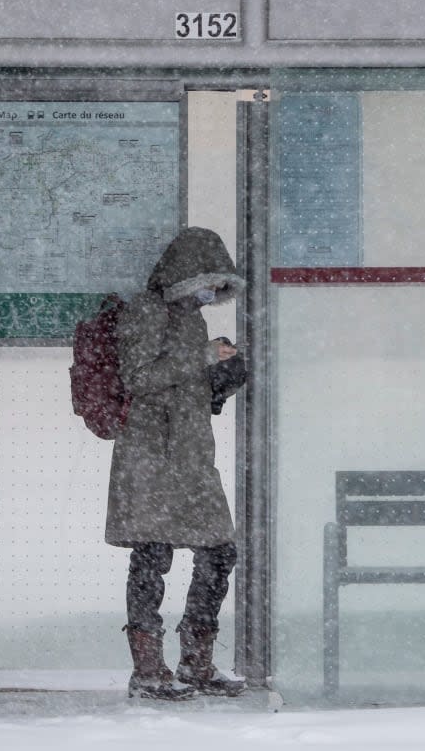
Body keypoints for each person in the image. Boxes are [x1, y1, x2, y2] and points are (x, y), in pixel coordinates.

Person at [106, 227, 247, 700]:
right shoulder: (147, 311)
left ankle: (195, 661)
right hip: (150, 456)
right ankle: (148, 670)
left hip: (189, 456)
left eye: (218, 286)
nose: (210, 294)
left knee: (220, 551)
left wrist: (220, 379)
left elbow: (185, 384)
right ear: (183, 276)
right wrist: (202, 358)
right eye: (205, 282)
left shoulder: (192, 319)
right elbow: (139, 378)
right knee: (151, 556)